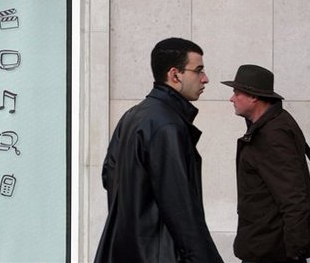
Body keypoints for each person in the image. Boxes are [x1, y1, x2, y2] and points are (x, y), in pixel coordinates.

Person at [94, 37, 224, 263]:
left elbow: (110, 175)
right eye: (198, 70)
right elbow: (180, 207)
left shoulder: (133, 116)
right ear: (175, 75)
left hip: (124, 250)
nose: (205, 79)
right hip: (159, 254)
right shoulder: (167, 125)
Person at [221, 64, 310, 263]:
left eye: (236, 93)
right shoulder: (271, 125)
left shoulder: (273, 134)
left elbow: (293, 197)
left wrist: (295, 251)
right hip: (265, 247)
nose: (231, 99)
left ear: (253, 96)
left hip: (272, 252)